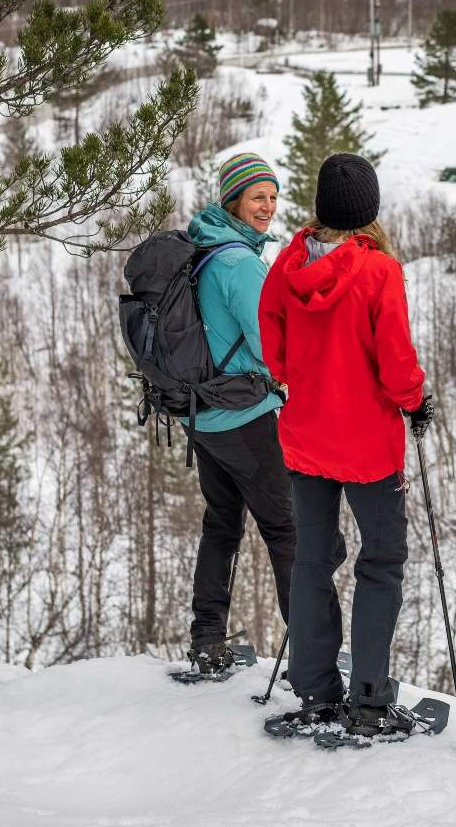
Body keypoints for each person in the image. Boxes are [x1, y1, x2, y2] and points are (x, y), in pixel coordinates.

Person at [258, 152, 434, 739]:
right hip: (367, 447)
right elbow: (396, 364)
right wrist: (415, 401)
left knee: (311, 560)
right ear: (368, 209)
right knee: (380, 562)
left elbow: (276, 359)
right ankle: (369, 701)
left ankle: (315, 691)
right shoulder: (378, 271)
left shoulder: (286, 267)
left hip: (306, 438)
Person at [182, 152, 296, 674]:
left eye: (272, 197)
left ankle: (207, 639)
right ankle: (311, 653)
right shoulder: (241, 264)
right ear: (233, 200)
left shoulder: (203, 246)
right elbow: (273, 348)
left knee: (222, 525)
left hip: (203, 415)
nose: (267, 206)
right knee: (289, 530)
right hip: (244, 416)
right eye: (257, 197)